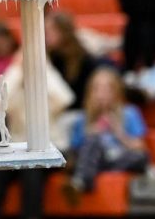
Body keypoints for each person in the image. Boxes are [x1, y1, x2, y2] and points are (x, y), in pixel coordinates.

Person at [0, 49, 74, 219]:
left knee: (31, 170)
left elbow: (65, 99)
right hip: (16, 150)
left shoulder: (49, 92)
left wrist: (43, 67)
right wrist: (16, 69)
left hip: (49, 149)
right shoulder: (15, 91)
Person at [62, 67, 149, 204]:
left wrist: (119, 132)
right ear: (90, 93)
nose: (101, 94)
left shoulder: (130, 113)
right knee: (91, 141)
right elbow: (75, 152)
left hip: (117, 158)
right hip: (94, 157)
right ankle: (80, 182)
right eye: (96, 89)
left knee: (141, 157)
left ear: (116, 92)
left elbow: (140, 147)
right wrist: (92, 132)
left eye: (107, 89)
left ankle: (82, 179)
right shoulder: (82, 119)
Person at [47, 12, 100, 111]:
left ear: (63, 32)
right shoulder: (49, 56)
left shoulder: (84, 58)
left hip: (78, 111)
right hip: (57, 110)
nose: (46, 37)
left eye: (49, 32)